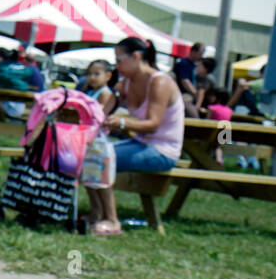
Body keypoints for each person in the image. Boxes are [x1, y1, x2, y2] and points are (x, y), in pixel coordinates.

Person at [88, 36, 184, 235]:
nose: (116, 66)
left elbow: (153, 124)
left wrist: (122, 122)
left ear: (137, 57)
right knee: (87, 154)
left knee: (101, 158)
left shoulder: (160, 82)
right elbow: (103, 112)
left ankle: (111, 221)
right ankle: (96, 213)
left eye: (119, 60)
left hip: (162, 151)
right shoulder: (127, 83)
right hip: (140, 144)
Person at [79, 60, 118, 228]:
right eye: (90, 74)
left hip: (98, 140)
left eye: (97, 74)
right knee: (88, 177)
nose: (92, 78)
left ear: (108, 76)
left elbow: (98, 113)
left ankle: (99, 211)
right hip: (87, 138)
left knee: (96, 175)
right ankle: (96, 209)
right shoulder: (90, 91)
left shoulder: (105, 94)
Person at [173, 41, 205, 118]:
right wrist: (195, 93)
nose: (201, 56)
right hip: (183, 95)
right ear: (193, 51)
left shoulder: (194, 65)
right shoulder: (184, 63)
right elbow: (185, 81)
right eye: (200, 54)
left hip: (191, 95)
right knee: (193, 115)